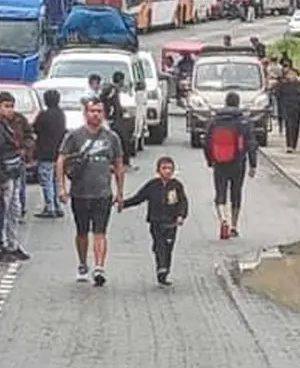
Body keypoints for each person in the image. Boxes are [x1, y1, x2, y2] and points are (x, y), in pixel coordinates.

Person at [57, 97, 125, 286]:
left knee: (100, 231)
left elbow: (119, 164)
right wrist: (62, 187)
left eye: (99, 111)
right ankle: (82, 263)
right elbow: (61, 160)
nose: (96, 114)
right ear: (85, 113)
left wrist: (120, 193)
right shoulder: (74, 136)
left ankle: (99, 267)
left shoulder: (112, 138)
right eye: (92, 111)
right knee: (82, 232)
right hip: (80, 192)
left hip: (103, 193)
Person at [120, 156, 189, 286]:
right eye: (164, 168)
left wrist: (181, 216)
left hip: (171, 222)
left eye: (170, 168)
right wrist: (123, 204)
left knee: (168, 246)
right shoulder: (152, 185)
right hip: (156, 221)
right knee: (159, 245)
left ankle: (165, 270)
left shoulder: (176, 186)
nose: (167, 171)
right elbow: (139, 198)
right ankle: (161, 268)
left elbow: (183, 202)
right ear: (158, 170)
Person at [0, 92, 32, 263]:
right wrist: (1, 178)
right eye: (6, 106)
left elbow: (28, 135)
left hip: (15, 171)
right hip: (4, 175)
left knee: (14, 210)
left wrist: (26, 150)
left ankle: (12, 244)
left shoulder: (16, 121)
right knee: (1, 212)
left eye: (11, 106)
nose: (10, 110)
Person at [204, 91, 257, 238]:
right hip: (238, 162)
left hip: (219, 162)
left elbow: (207, 142)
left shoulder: (215, 120)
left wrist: (209, 159)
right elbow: (251, 143)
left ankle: (223, 219)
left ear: (225, 102)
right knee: (236, 192)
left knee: (220, 193)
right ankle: (234, 225)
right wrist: (253, 164)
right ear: (238, 103)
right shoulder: (244, 121)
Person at [32, 89, 66, 218]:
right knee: (56, 180)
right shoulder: (61, 114)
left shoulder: (44, 115)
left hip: (45, 152)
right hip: (59, 152)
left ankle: (49, 207)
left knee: (46, 180)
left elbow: (35, 129)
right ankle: (57, 206)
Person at [275, 67, 300, 152]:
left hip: (296, 107)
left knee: (296, 126)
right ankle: (289, 145)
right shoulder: (282, 84)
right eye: (290, 74)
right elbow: (278, 94)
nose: (291, 76)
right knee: (289, 125)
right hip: (286, 107)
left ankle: (294, 144)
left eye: (293, 74)